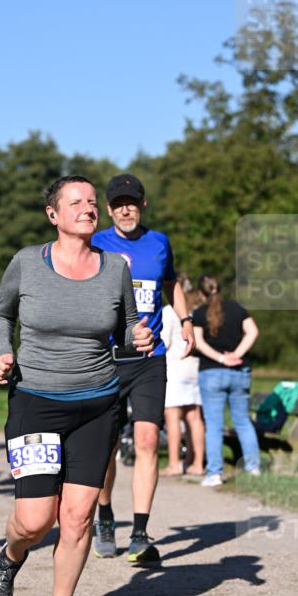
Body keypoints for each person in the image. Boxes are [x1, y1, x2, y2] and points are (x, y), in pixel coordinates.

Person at [0, 175, 153, 596]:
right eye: (75, 202)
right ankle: (10, 555)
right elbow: (0, 314)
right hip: (36, 402)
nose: (88, 207)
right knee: (36, 521)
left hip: (97, 405)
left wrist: (139, 338)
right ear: (53, 215)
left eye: (92, 201)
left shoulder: (114, 267)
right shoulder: (27, 264)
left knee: (77, 516)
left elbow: (127, 327)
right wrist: (2, 352)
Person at [90, 174, 194, 563]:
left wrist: (185, 320)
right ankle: (104, 517)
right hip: (108, 360)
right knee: (107, 446)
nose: (125, 209)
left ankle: (139, 532)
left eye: (131, 201)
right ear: (109, 208)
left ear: (143, 204)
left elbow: (171, 284)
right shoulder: (96, 243)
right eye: (118, 203)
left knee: (149, 441)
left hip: (151, 359)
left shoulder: (159, 242)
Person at [192, 275, 260, 487]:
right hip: (239, 371)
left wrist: (221, 358)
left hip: (211, 372)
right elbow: (253, 332)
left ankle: (214, 473)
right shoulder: (237, 308)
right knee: (242, 420)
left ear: (201, 293)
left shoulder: (199, 313)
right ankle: (253, 467)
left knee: (213, 424)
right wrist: (236, 355)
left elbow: (199, 343)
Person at [159, 281, 205, 477]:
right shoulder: (195, 312)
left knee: (172, 415)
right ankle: (197, 463)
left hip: (175, 367)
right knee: (194, 416)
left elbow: (165, 341)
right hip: (194, 367)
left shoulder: (169, 311)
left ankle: (174, 463)